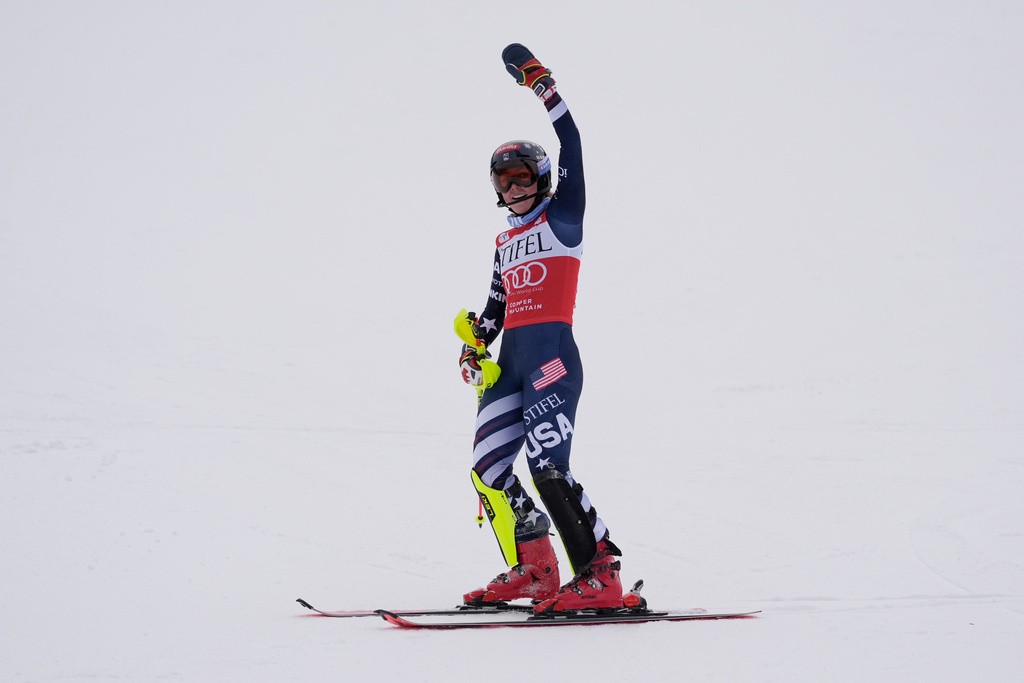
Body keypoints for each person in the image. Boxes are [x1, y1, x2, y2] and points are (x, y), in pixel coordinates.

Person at [457, 44, 623, 614]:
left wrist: (542, 85)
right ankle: (536, 569)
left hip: (552, 360)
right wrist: (473, 345)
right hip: (511, 365)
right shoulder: (504, 241)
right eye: (502, 181)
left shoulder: (563, 215)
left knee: (548, 468)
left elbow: (572, 142)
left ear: (542, 177)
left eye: (521, 176)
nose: (512, 188)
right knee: (488, 468)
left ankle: (602, 574)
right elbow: (494, 309)